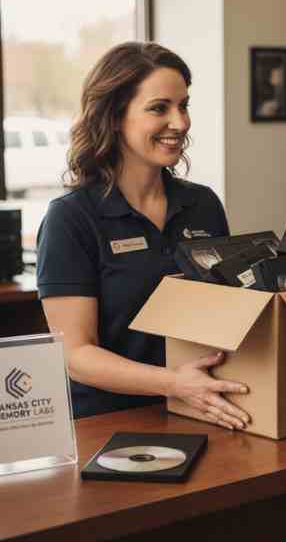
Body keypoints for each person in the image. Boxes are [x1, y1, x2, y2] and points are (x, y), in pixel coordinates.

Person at [37, 42, 250, 431]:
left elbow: (225, 311)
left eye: (183, 105)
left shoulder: (202, 204)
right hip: (107, 423)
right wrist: (174, 384)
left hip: (203, 408)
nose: (180, 122)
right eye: (159, 108)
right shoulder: (71, 218)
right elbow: (76, 355)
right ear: (114, 116)